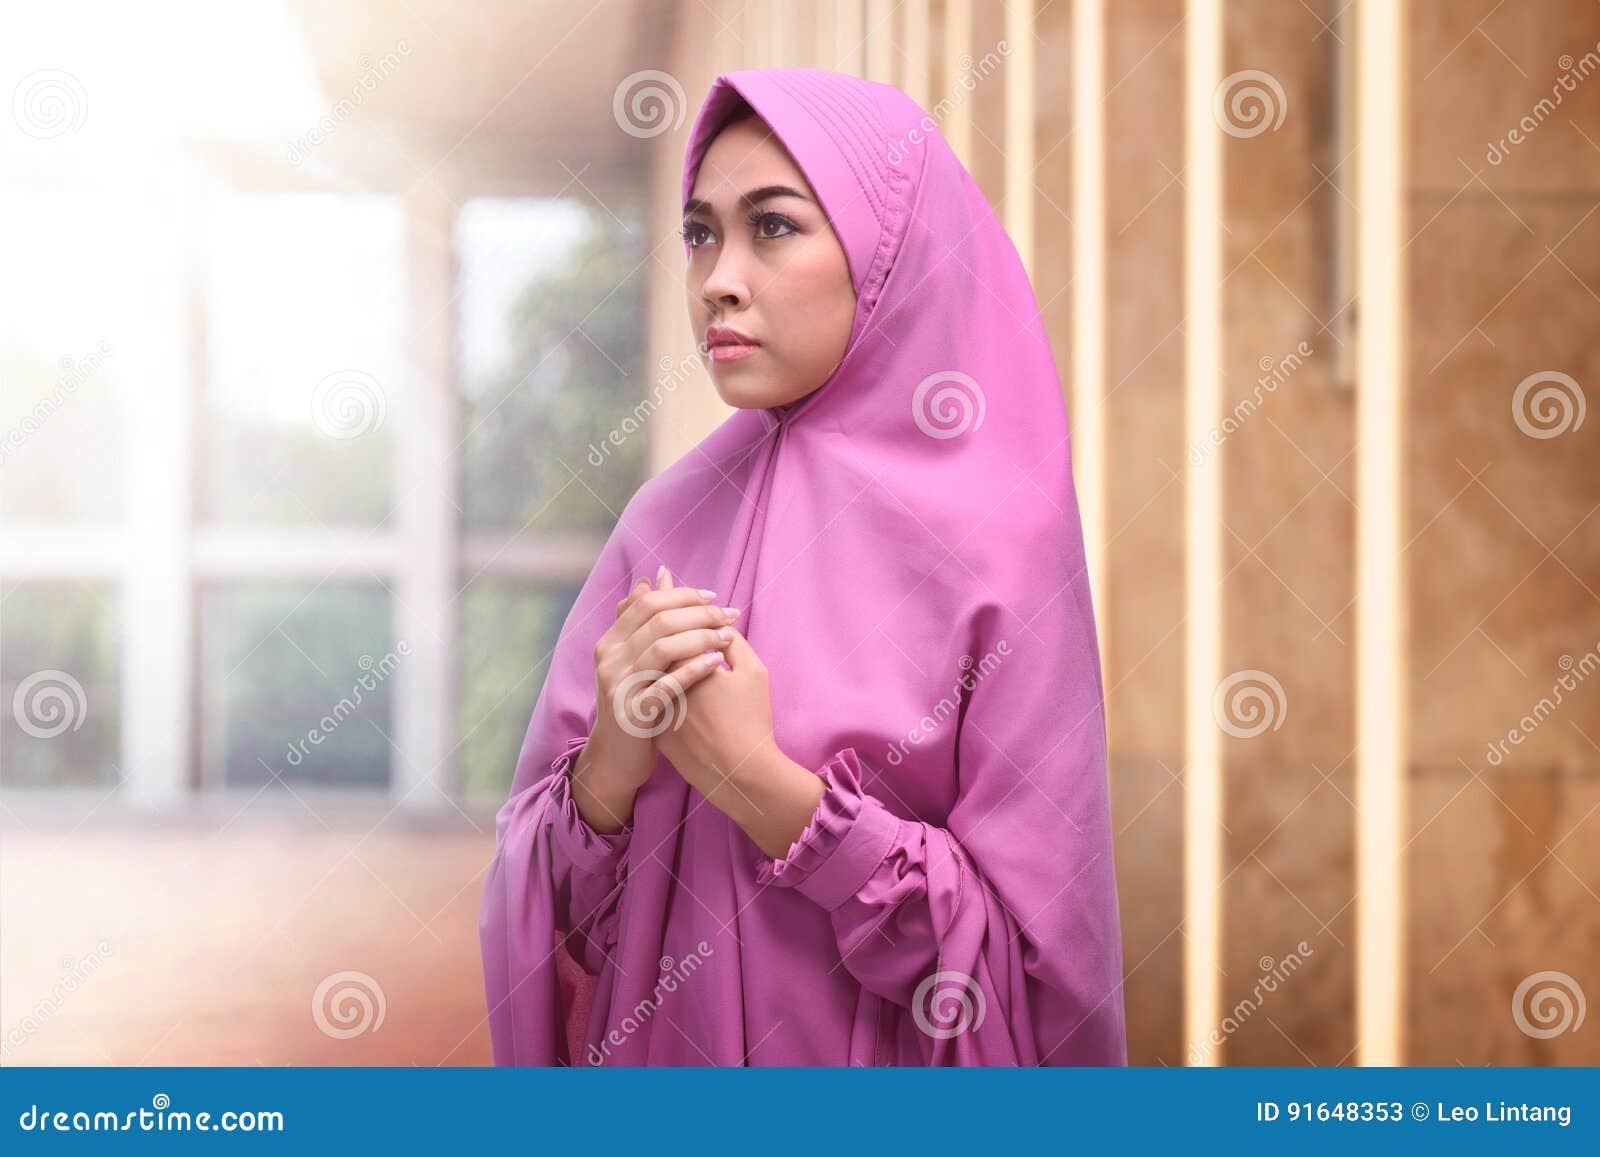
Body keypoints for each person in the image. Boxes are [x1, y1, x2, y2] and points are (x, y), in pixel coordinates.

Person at [478, 66, 1126, 1066]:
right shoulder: (666, 522)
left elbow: (1026, 975)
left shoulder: (1001, 541)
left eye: (771, 226)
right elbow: (551, 921)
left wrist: (760, 784)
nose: (717, 279)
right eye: (700, 233)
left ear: (889, 251)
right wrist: (609, 759)